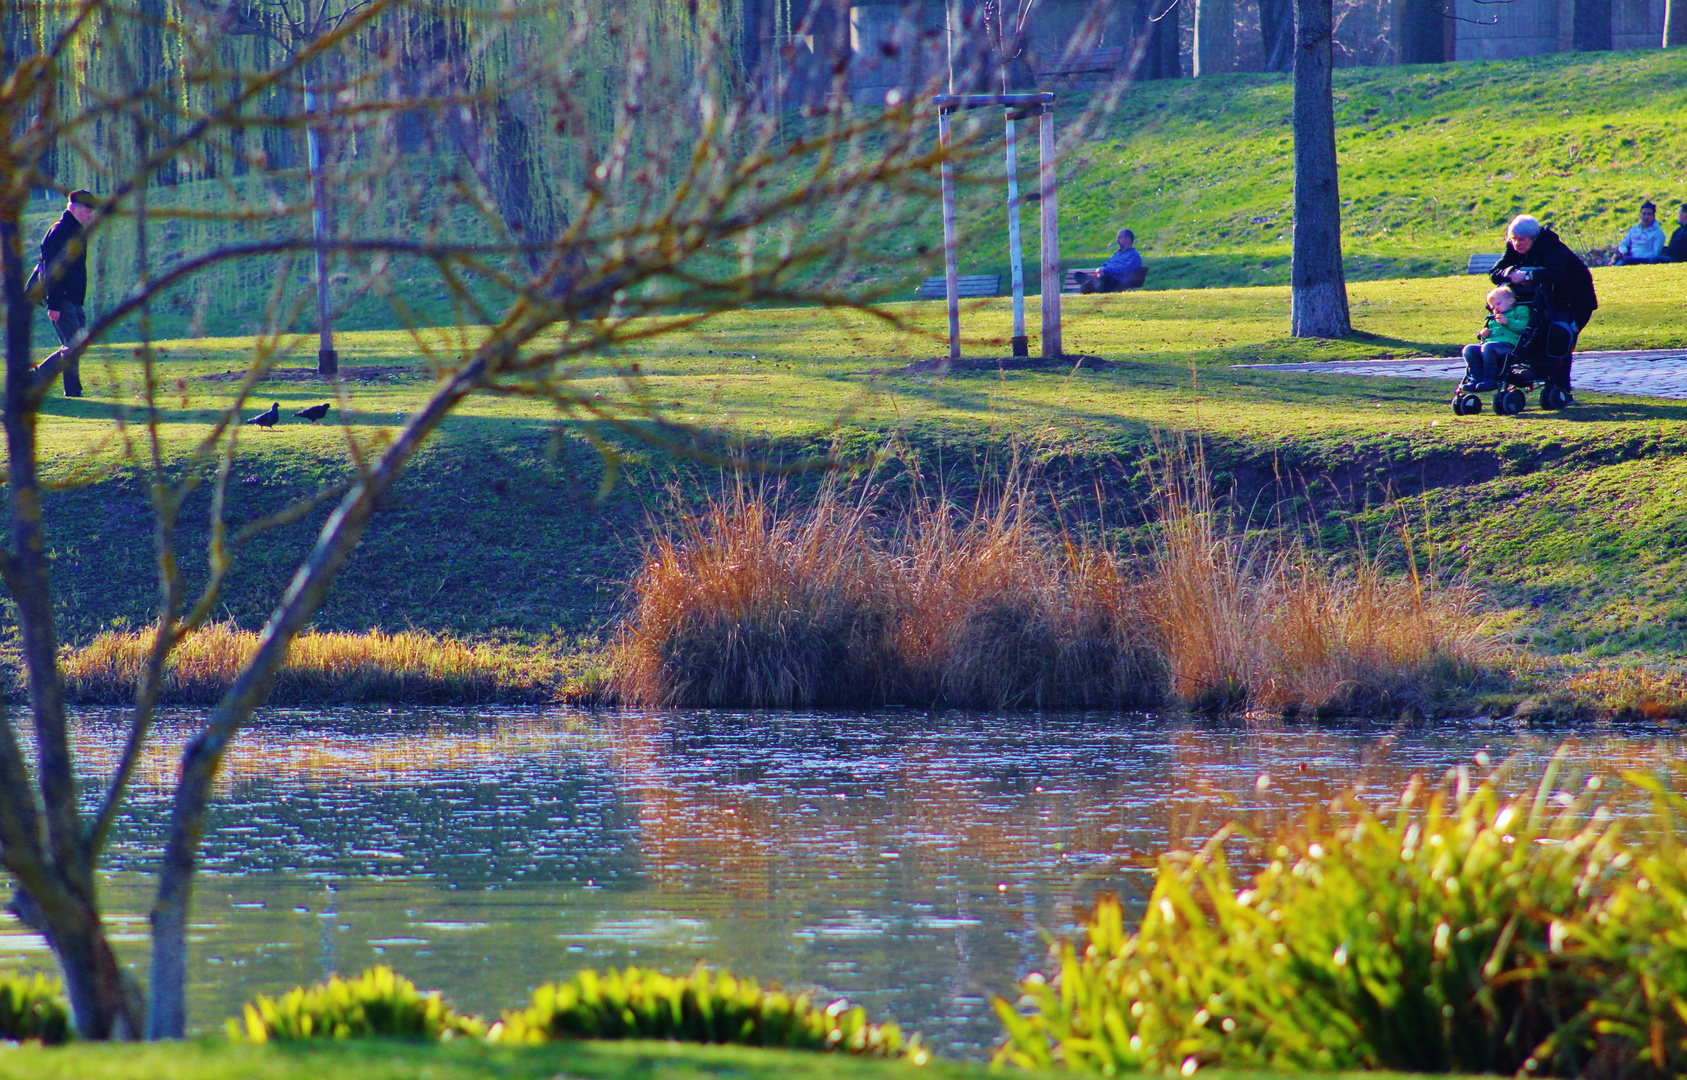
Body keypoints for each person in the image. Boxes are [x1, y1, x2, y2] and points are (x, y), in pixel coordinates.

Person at [1489, 214, 1597, 404]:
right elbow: (1495, 273)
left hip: (1574, 301)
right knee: (1535, 334)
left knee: (1559, 337)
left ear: (1534, 238)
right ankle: (1531, 375)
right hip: (1542, 302)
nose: (1517, 244)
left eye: (1522, 240)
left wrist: (1528, 274)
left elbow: (1555, 273)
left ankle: (1560, 387)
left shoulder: (1552, 247)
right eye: (1513, 239)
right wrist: (1511, 272)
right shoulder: (1513, 247)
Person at [38, 189, 99, 398]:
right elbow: (51, 269)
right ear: (74, 208)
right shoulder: (59, 232)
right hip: (62, 299)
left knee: (75, 345)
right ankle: (72, 392)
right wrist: (53, 303)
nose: (91, 215)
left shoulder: (75, 232)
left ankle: (35, 378)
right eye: (87, 210)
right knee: (72, 346)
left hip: (73, 299)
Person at [1459, 285, 1530, 392]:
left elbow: (1524, 327)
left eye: (1498, 304)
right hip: (1491, 345)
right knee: (1469, 349)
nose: (1495, 308)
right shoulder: (1493, 318)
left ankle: (1489, 380)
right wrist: (1484, 335)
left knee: (1488, 347)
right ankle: (1475, 379)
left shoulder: (1520, 311)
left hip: (1509, 345)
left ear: (1510, 300)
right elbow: (1490, 336)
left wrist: (1508, 322)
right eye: (1492, 307)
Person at [1075, 229, 1146, 293]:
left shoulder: (1133, 255)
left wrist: (1106, 270)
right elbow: (1106, 264)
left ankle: (1091, 284)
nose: (1117, 241)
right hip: (1106, 277)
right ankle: (1092, 282)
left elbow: (1125, 269)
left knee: (1103, 279)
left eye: (1119, 238)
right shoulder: (1117, 254)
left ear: (1128, 239)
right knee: (1078, 275)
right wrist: (1100, 269)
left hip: (1116, 282)